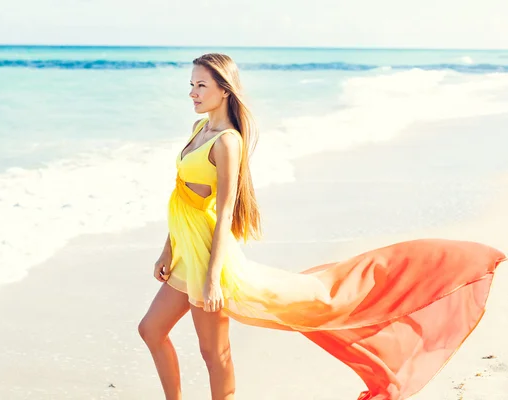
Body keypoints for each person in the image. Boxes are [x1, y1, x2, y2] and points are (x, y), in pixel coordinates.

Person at [137, 53, 506, 400]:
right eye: (191, 84)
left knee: (214, 352)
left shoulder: (227, 142)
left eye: (201, 86)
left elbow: (225, 213)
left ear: (224, 90)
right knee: (151, 330)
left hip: (207, 259)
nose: (192, 93)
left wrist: (214, 276)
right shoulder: (198, 128)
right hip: (185, 252)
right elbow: (184, 200)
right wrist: (166, 251)